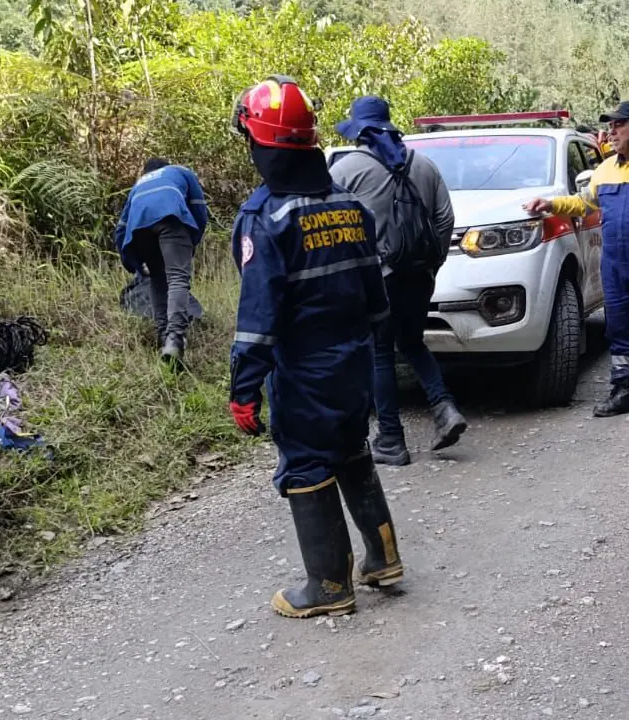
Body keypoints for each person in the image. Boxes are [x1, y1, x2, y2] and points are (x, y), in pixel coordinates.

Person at [227, 76, 404, 618]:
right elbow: (376, 295)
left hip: (304, 370)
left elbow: (258, 317)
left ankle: (328, 587)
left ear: (261, 143)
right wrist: (376, 348)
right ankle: (381, 559)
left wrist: (244, 388)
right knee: (352, 451)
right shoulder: (350, 207)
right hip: (355, 363)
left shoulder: (266, 218)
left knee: (306, 463)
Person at [522, 101, 629, 425]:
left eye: (618, 125)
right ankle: (623, 393)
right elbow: (583, 203)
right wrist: (549, 204)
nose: (611, 132)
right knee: (620, 331)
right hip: (615, 266)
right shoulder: (605, 169)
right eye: (610, 126)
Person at [330, 95, 466, 466]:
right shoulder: (423, 165)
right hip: (419, 275)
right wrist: (432, 262)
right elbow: (445, 219)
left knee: (379, 354)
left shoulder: (345, 170)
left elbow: (331, 226)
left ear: (358, 130)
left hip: (378, 278)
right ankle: (444, 407)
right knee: (412, 343)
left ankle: (391, 438)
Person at [113, 157, 209, 367]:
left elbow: (120, 229)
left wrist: (133, 264)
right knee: (177, 278)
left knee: (157, 279)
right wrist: (191, 241)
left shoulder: (139, 185)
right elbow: (200, 210)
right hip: (171, 219)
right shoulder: (181, 171)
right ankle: (175, 338)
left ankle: (162, 336)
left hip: (139, 228)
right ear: (165, 167)